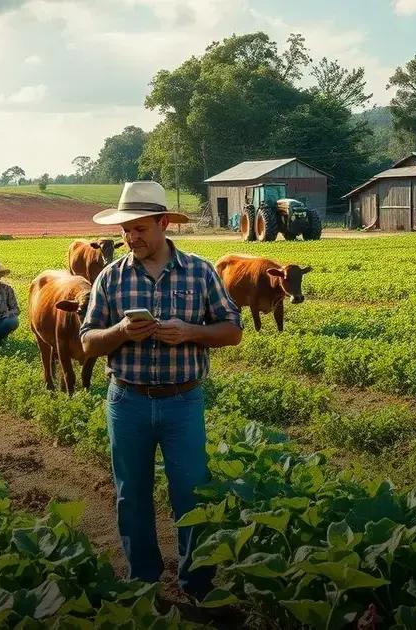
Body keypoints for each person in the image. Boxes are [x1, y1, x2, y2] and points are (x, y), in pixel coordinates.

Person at [79, 181, 242, 605]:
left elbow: (232, 330)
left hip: (183, 401)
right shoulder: (109, 278)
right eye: (125, 231)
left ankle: (198, 585)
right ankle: (144, 583)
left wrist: (191, 332)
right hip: (127, 401)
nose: (131, 239)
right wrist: (119, 332)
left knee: (192, 491)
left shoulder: (201, 271)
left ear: (164, 224)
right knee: (131, 494)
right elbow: (87, 343)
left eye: (140, 229)